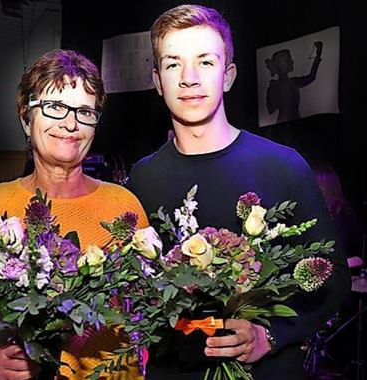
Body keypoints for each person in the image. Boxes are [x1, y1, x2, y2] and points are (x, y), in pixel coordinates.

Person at [126, 5, 350, 379]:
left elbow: (335, 276)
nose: (189, 78)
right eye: (172, 64)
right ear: (157, 79)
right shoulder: (144, 176)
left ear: (228, 76)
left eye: (206, 62)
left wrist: (270, 335)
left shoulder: (283, 165)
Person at [0, 49, 149, 380]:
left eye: (85, 111)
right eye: (55, 107)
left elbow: (147, 311)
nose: (71, 123)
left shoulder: (124, 207)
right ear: (25, 117)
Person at [265, 41, 323, 123]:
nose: (292, 62)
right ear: (283, 64)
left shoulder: (290, 83)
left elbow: (311, 77)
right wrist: (318, 54)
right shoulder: (285, 84)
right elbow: (270, 109)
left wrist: (318, 54)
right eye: (289, 60)